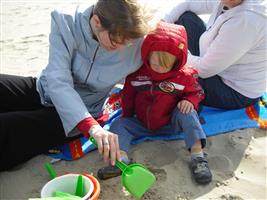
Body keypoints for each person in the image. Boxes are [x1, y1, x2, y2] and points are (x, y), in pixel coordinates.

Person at [0, 0, 152, 171]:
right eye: (115, 42)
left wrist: (91, 126)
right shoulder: (65, 21)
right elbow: (58, 79)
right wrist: (92, 127)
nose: (122, 48)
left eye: (128, 43)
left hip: (79, 115)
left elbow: (173, 51)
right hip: (44, 89)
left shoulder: (137, 37)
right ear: (96, 22)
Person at [97, 22, 212, 184]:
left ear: (175, 62)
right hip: (142, 123)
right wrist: (127, 115)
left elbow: (198, 92)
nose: (157, 68)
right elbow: (128, 95)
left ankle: (198, 157)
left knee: (188, 112)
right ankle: (121, 161)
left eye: (164, 65)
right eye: (154, 62)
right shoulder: (137, 74)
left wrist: (190, 100)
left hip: (170, 123)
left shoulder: (184, 76)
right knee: (119, 124)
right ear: (147, 54)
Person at [163, 0, 267, 109]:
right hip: (216, 62)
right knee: (185, 18)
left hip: (234, 90)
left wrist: (175, 52)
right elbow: (189, 4)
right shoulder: (232, 3)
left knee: (167, 76)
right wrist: (164, 23)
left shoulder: (246, 21)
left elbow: (203, 70)